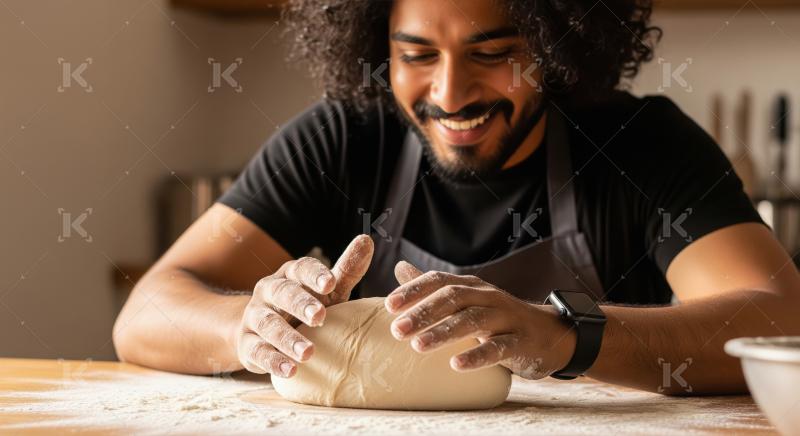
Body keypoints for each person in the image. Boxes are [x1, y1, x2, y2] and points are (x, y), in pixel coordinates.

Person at [113, 0, 800, 395]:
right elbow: (145, 313)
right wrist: (246, 327)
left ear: (558, 43)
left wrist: (564, 336)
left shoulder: (640, 144)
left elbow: (779, 322)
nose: (448, 94)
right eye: (415, 56)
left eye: (493, 52)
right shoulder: (344, 138)